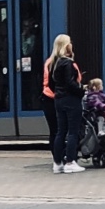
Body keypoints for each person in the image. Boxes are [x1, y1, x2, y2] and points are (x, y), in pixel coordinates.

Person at [49, 39, 85, 174]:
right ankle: (70, 162)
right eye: (69, 42)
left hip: (59, 99)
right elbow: (70, 83)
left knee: (61, 131)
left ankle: (57, 163)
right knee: (73, 132)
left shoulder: (54, 63)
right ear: (65, 46)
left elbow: (52, 84)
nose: (71, 44)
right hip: (71, 100)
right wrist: (81, 90)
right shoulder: (68, 63)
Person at [41, 35, 69, 168]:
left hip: (49, 98)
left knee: (55, 130)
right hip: (53, 99)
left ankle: (58, 158)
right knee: (58, 130)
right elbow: (54, 84)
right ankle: (59, 158)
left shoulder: (49, 62)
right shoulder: (59, 63)